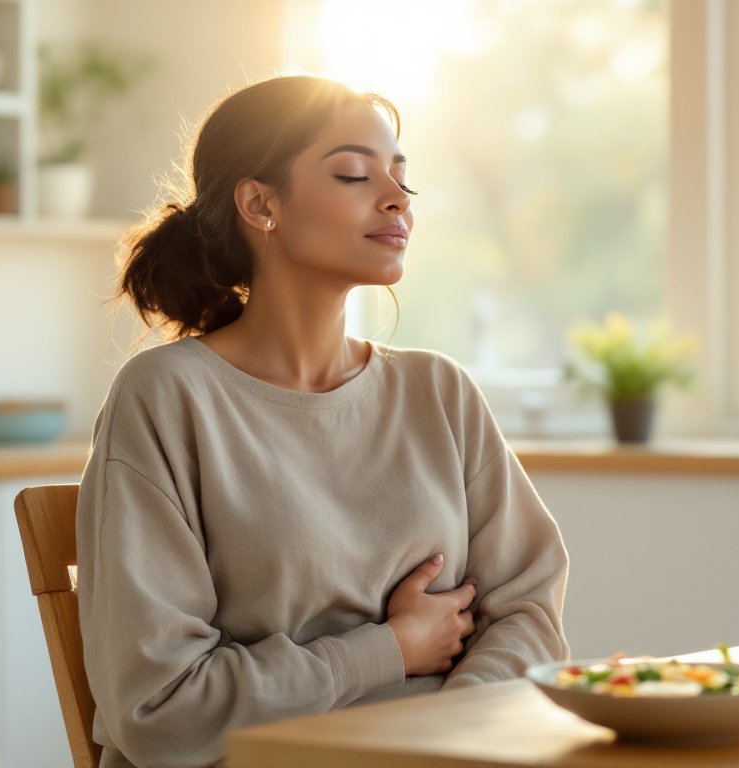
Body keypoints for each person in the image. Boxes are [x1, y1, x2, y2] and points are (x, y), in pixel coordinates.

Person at [77, 74, 569, 768]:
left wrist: (450, 734)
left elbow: (528, 615)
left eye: (402, 178)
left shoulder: (440, 392)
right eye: (352, 174)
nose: (396, 198)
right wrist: (389, 650)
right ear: (260, 204)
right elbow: (158, 710)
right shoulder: (166, 399)